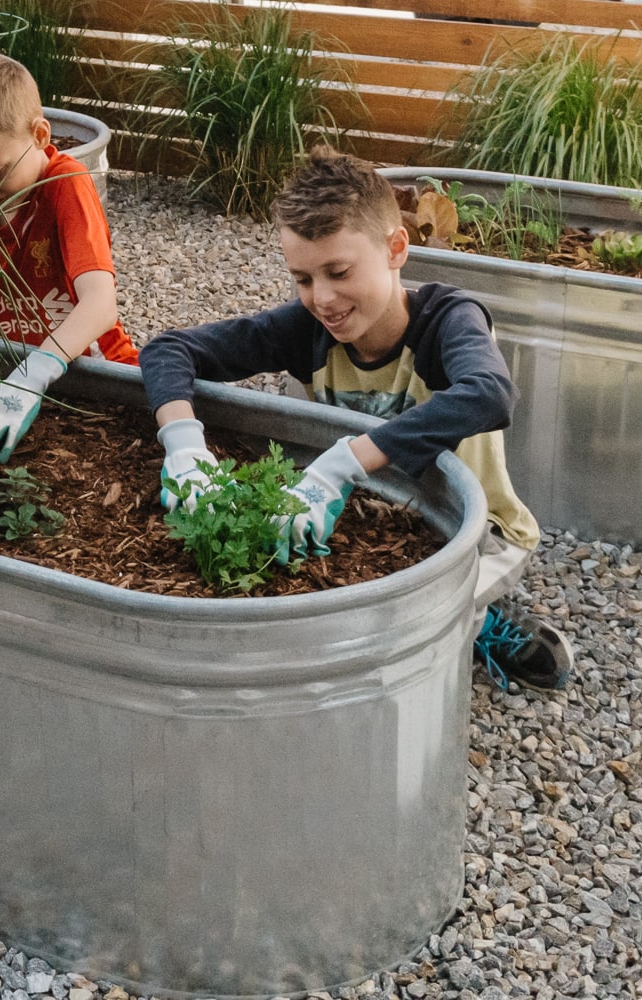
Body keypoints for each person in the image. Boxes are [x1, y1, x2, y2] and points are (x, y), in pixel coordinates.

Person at [139, 146, 573, 692]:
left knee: (387, 620)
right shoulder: (308, 326)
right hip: (361, 516)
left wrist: (343, 463)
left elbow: (489, 395)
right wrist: (184, 446)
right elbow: (167, 351)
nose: (322, 298)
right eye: (302, 278)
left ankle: (478, 621)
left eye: (339, 271)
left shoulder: (447, 321)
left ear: (396, 249)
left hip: (475, 531)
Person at [0, 49, 137, 467]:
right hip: (13, 377)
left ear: (40, 135)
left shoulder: (66, 184)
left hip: (100, 380)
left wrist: (33, 374)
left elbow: (101, 305)